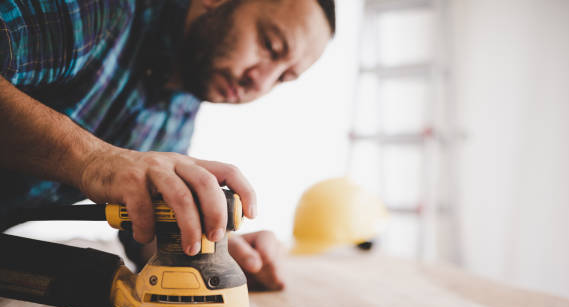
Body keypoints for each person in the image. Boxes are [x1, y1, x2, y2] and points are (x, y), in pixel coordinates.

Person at [0, 0, 335, 290]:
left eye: (283, 77)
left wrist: (205, 247)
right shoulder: (100, 12)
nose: (260, 81)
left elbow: (143, 231)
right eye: (270, 45)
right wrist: (92, 159)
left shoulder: (182, 104)